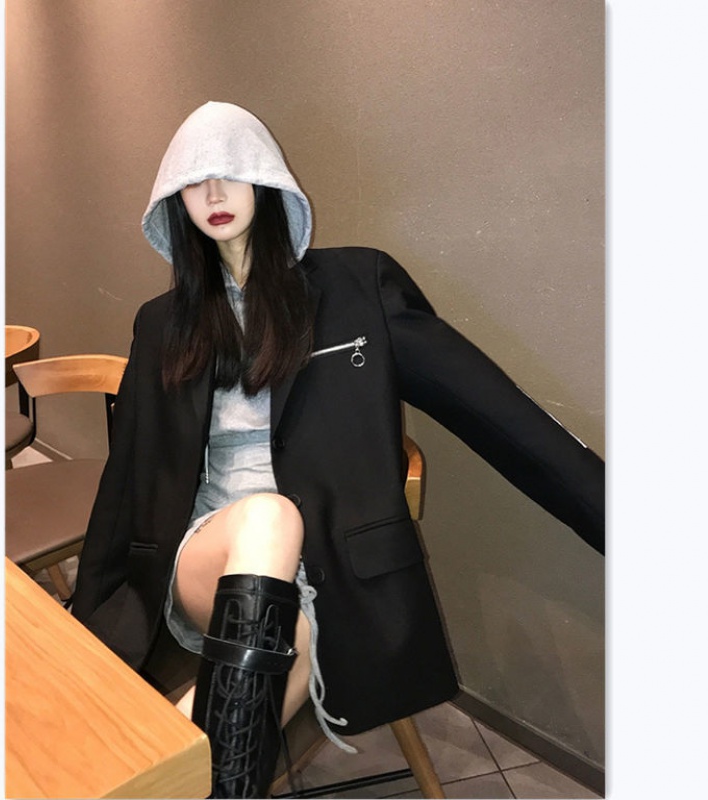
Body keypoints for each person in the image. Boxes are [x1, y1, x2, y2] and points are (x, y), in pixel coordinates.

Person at [71, 101, 604, 798]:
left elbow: (495, 412)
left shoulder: (357, 289)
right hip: (208, 553)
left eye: (230, 172)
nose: (213, 193)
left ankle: (153, 782)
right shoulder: (162, 323)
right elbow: (129, 473)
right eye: (193, 181)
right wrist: (89, 616)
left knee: (281, 650)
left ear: (266, 180)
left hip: (332, 566)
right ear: (173, 200)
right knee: (268, 518)